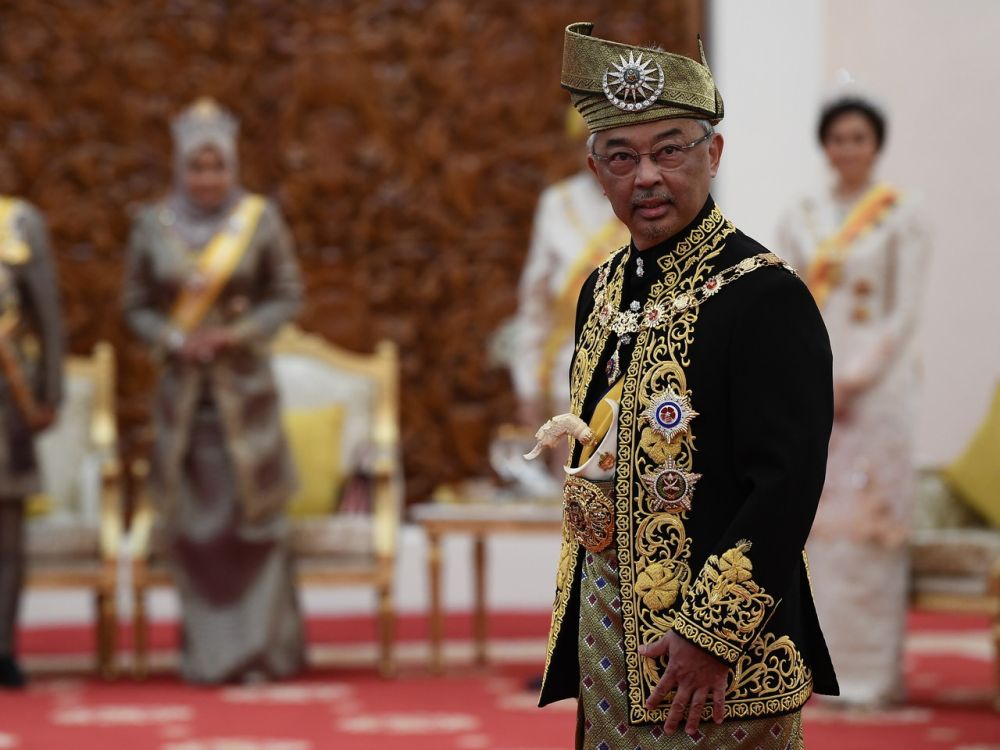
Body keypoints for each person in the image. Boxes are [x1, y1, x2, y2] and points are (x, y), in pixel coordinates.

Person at [533, 23, 839, 747]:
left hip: (721, 656)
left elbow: (787, 482)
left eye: (669, 150)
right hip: (608, 635)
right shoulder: (600, 291)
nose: (646, 176)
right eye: (622, 156)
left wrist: (712, 636)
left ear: (714, 154)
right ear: (594, 168)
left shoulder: (764, 295)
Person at [123, 98, 305, 684]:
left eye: (217, 168)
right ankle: (207, 656)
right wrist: (174, 338)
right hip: (182, 406)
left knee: (253, 527)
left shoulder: (260, 219)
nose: (208, 179)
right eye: (197, 168)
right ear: (181, 169)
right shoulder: (151, 225)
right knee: (195, 532)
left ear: (232, 167)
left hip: (245, 400)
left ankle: (260, 655)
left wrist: (236, 334)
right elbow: (134, 307)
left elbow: (286, 294)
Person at [776, 86, 930, 707]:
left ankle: (870, 676)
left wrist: (854, 378)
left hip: (878, 393)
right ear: (825, 145)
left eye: (859, 138)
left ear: (876, 145)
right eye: (838, 138)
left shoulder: (903, 212)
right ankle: (813, 670)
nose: (848, 149)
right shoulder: (801, 214)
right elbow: (782, 303)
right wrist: (808, 376)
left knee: (868, 535)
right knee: (813, 529)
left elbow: (904, 311)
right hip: (810, 388)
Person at [512, 108, 628, 428]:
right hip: (568, 370)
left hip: (637, 376)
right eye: (590, 144)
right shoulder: (557, 203)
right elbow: (535, 302)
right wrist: (529, 386)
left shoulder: (646, 196)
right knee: (571, 477)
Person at [0, 195, 63, 689]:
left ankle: (3, 648)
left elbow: (47, 316)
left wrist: (50, 393)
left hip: (7, 402)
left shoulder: (18, 222)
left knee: (7, 537)